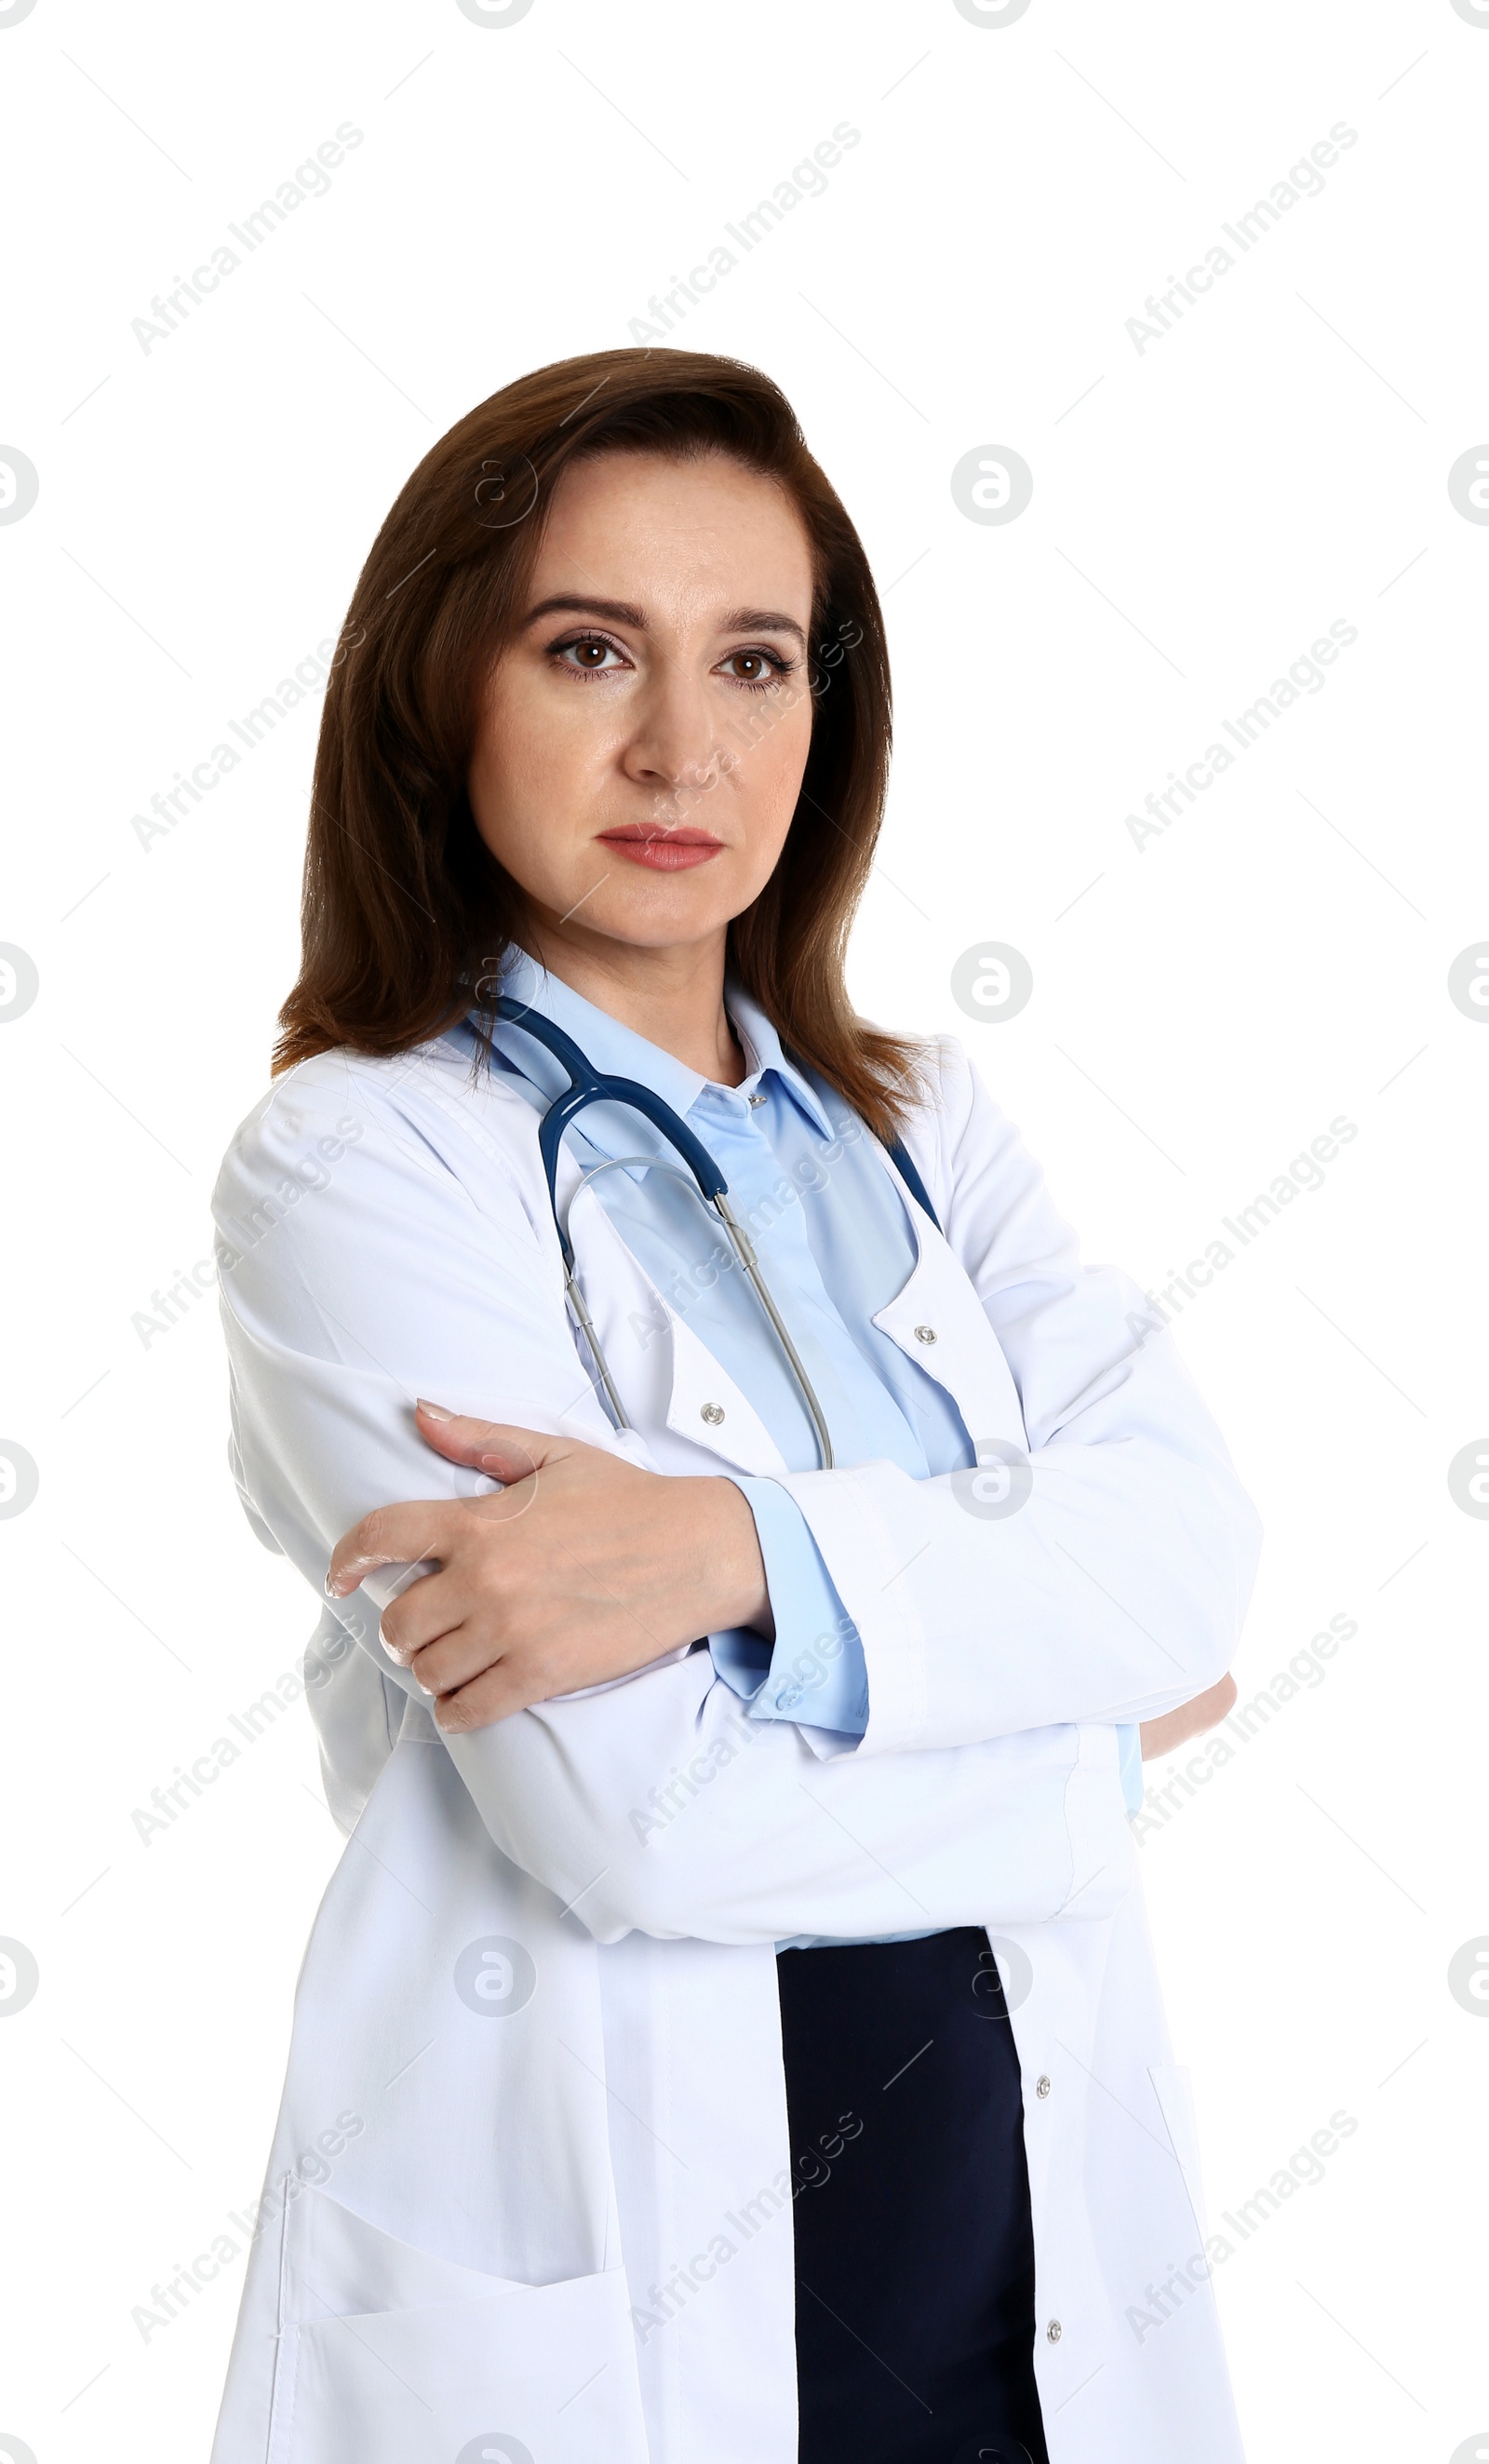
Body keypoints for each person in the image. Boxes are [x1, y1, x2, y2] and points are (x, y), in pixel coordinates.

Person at [208, 347, 1256, 2464]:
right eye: (588, 648)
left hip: (1019, 2270)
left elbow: (1185, 1553)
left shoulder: (921, 1122)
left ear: (825, 713)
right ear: (440, 690)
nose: (682, 743)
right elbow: (635, 1818)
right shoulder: (358, 1163)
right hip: (616, 2305)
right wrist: (1078, 1754)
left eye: (755, 660)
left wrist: (727, 1553)